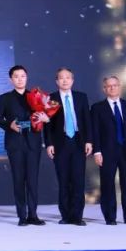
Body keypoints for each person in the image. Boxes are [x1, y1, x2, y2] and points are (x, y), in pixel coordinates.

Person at [0, 65, 45, 226]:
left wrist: (44, 118)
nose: (20, 79)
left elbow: (44, 115)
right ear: (11, 79)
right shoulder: (5, 98)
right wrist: (9, 125)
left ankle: (33, 215)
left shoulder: (36, 96)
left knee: (33, 180)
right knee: (18, 180)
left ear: (27, 77)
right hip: (15, 143)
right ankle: (22, 216)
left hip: (33, 143)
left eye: (22, 76)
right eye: (16, 76)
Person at [90, 75, 126, 225]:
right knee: (107, 185)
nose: (112, 88)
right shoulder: (97, 108)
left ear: (120, 87)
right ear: (104, 89)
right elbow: (95, 131)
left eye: (115, 85)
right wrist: (97, 151)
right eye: (109, 86)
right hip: (106, 152)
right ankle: (110, 217)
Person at [44, 68, 93, 226]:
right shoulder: (51, 98)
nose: (65, 80)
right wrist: (49, 143)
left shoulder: (81, 97)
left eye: (68, 78)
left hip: (78, 142)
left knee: (78, 181)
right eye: (61, 78)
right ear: (56, 81)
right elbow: (47, 124)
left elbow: (87, 120)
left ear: (72, 80)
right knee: (63, 180)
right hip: (60, 143)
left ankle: (77, 216)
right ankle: (65, 215)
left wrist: (89, 141)